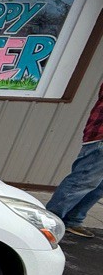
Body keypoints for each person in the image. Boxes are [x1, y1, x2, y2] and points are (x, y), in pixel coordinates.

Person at [47, 81, 103, 239]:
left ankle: (73, 220)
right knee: (82, 181)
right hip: (100, 138)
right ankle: (48, 222)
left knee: (98, 187)